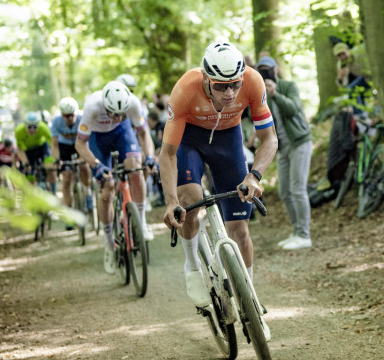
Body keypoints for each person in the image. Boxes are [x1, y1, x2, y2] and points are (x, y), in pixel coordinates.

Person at [160, 42, 278, 323]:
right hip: (190, 141)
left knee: (239, 227)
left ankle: (249, 296)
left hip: (229, 141)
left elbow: (269, 138)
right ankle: (192, 265)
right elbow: (167, 154)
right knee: (189, 201)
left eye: (234, 85)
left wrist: (254, 176)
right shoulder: (186, 88)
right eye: (221, 86)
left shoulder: (252, 81)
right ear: (205, 79)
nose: (230, 92)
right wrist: (170, 202)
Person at [74, 80, 157, 255]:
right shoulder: (92, 106)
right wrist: (96, 165)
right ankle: (108, 241)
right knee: (107, 186)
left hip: (122, 132)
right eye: (114, 114)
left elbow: (144, 133)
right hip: (98, 137)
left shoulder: (132, 102)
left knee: (135, 170)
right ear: (105, 106)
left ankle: (141, 222)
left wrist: (149, 156)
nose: (118, 117)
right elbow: (80, 144)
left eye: (122, 114)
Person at [256, 56, 313, 250]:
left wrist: (275, 94)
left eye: (268, 69)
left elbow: (294, 109)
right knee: (285, 192)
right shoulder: (261, 93)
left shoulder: (288, 86)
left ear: (276, 69)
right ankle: (297, 232)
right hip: (282, 148)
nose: (266, 72)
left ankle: (304, 235)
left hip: (299, 142)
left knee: (298, 189)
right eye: (261, 70)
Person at [51, 97, 91, 223]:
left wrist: (84, 157)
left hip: (80, 143)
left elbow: (88, 140)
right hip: (64, 147)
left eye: (71, 115)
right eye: (66, 116)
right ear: (62, 115)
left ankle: (87, 191)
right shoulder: (56, 121)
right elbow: (55, 144)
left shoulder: (82, 118)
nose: (69, 118)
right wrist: (57, 160)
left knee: (84, 166)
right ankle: (68, 212)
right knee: (67, 178)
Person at [15, 112, 55, 192]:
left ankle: (53, 192)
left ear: (38, 125)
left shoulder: (43, 127)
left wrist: (53, 158)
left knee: (50, 166)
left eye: (35, 127)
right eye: (29, 127)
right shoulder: (19, 131)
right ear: (25, 125)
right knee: (29, 175)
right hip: (28, 150)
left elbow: (52, 143)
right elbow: (19, 149)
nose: (32, 129)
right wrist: (26, 162)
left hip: (42, 147)